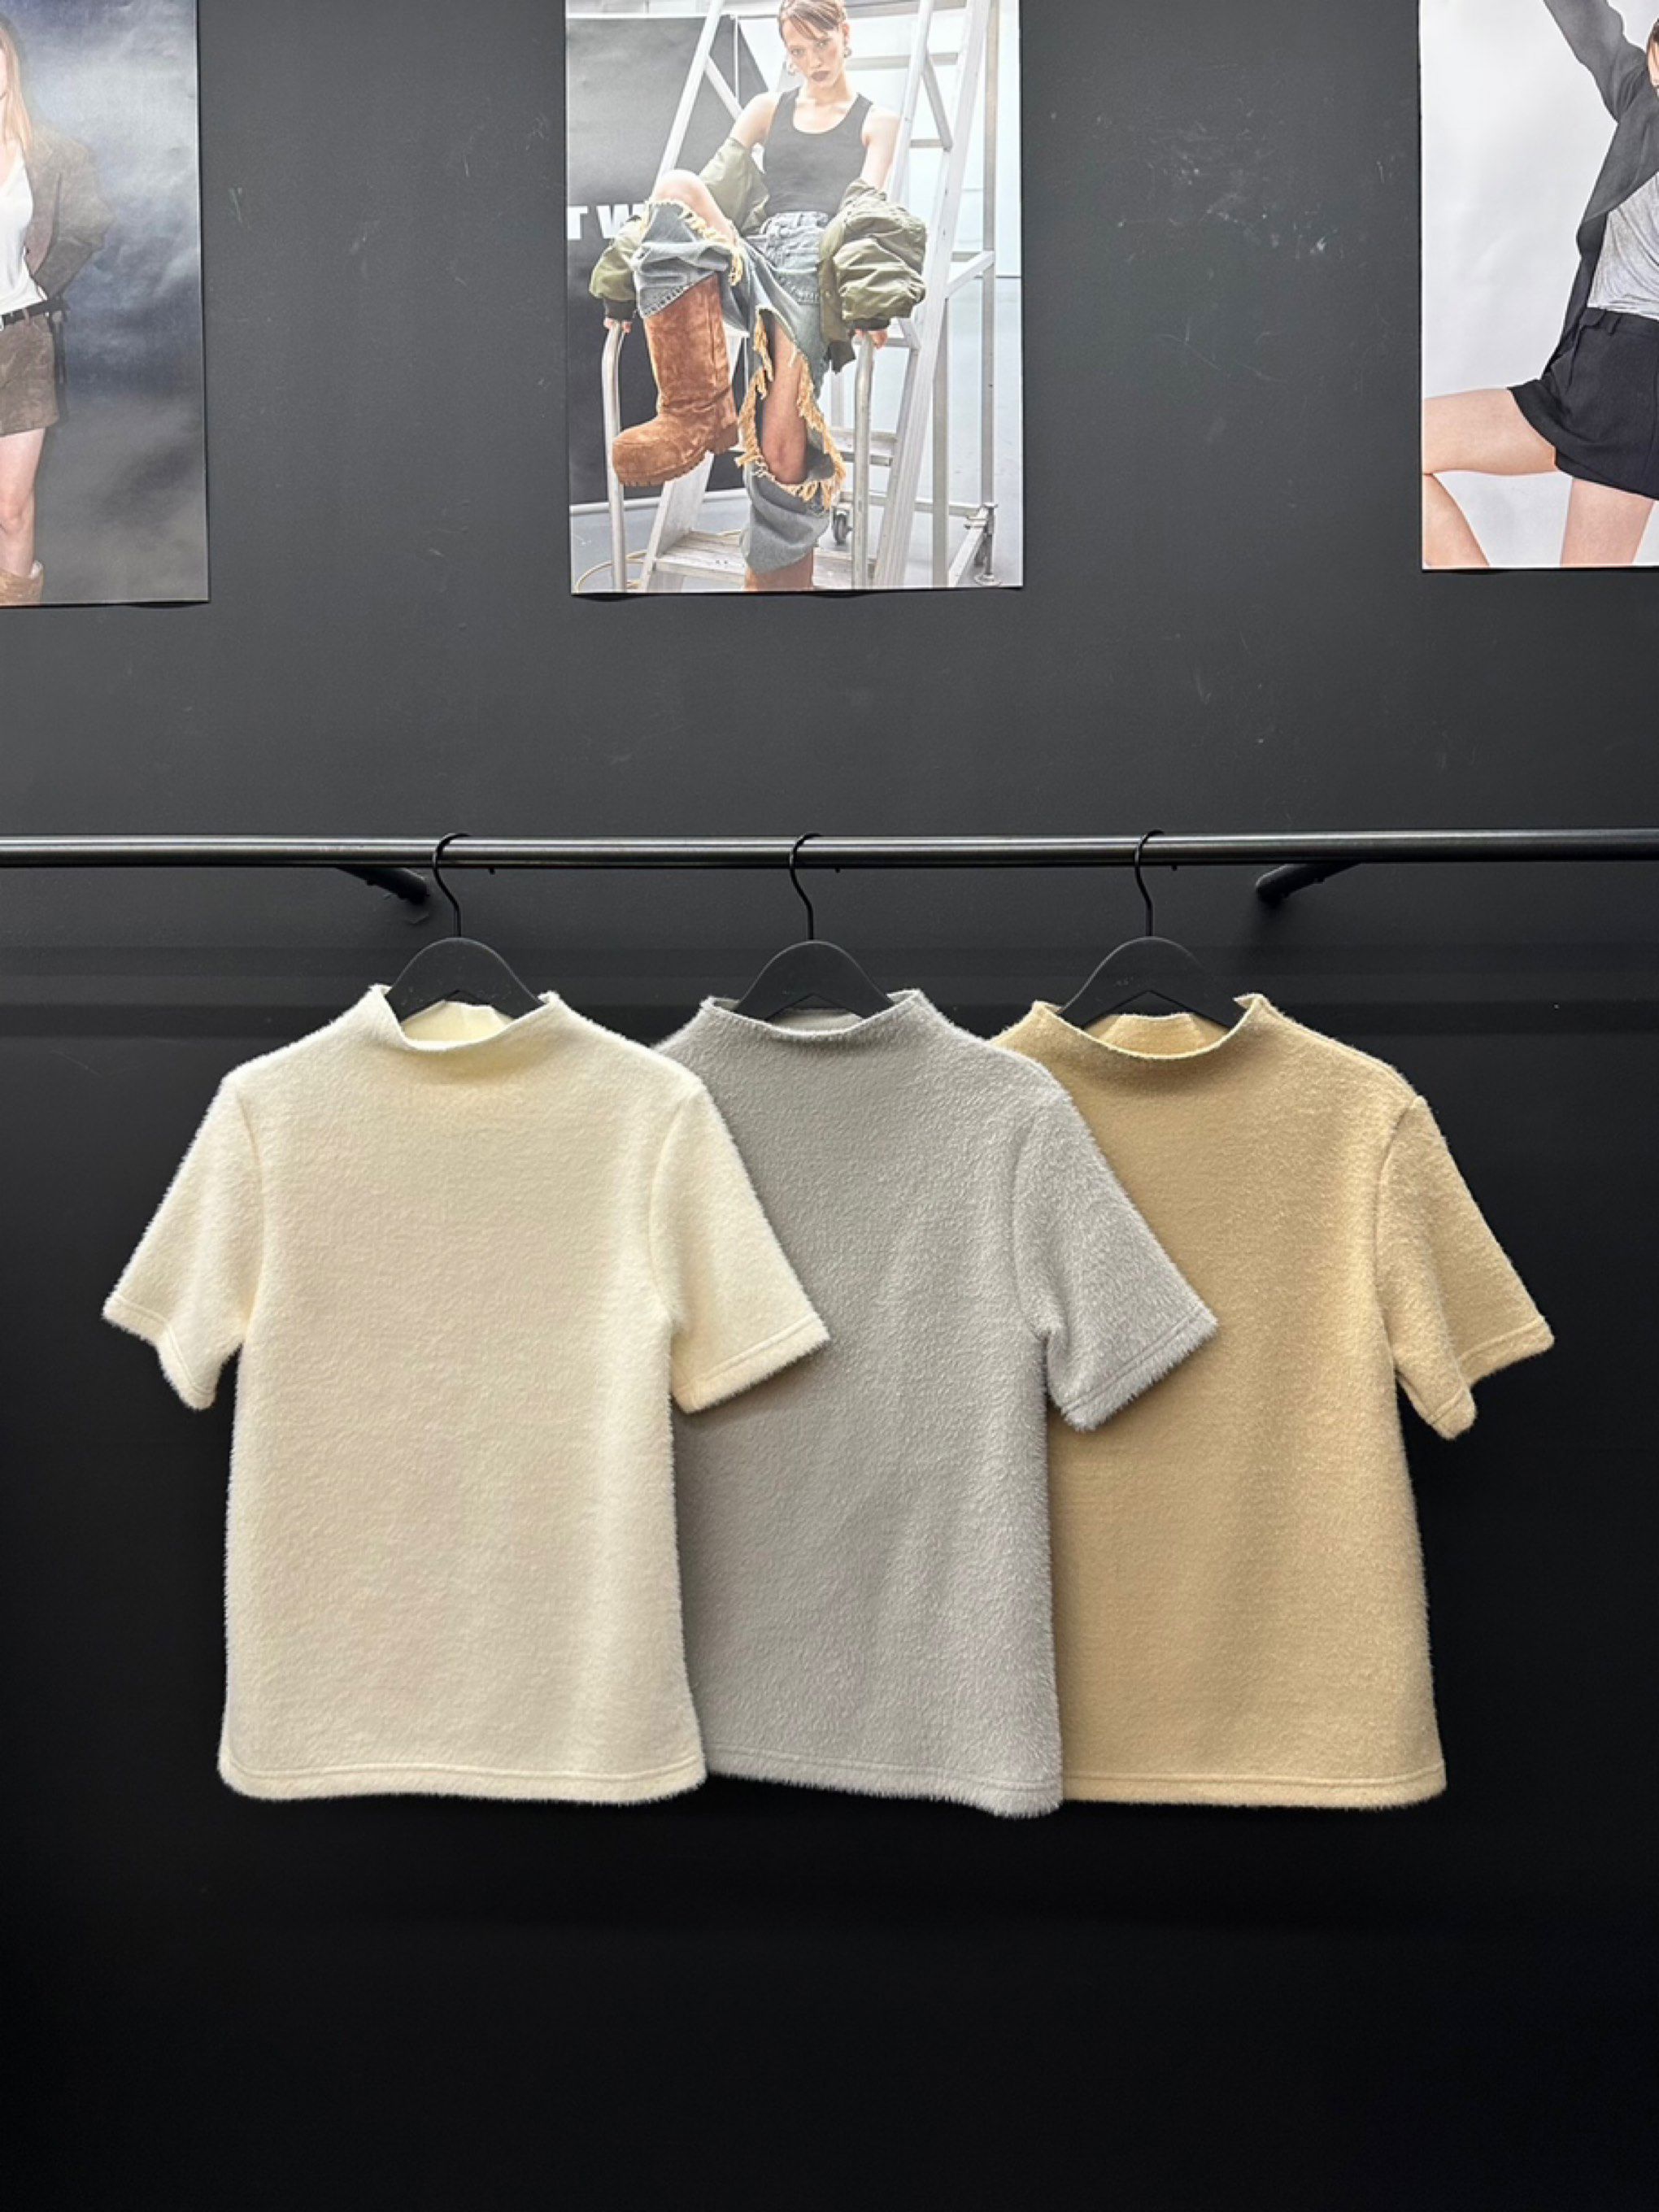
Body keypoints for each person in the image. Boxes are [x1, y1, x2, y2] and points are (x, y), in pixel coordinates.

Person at [592, 0, 925, 591]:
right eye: (797, 50)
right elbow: (712, 186)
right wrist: (621, 284)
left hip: (811, 269)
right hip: (752, 251)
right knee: (677, 184)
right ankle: (697, 410)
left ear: (845, 35)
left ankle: (777, 586)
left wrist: (871, 300)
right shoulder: (767, 109)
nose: (812, 60)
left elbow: (865, 215)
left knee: (780, 442)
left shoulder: (880, 121)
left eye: (821, 43)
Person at [1424, 2, 1659, 568]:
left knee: (1582, 599)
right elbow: (1593, 31)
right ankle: (1490, 615)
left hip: (1638, 386)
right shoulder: (1641, 103)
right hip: (1582, 367)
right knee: (1402, 443)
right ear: (1656, 63)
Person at [0, 11, 110, 607]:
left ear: (10, 64)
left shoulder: (50, 153)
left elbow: (89, 224)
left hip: (21, 341)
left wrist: (40, 285)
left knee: (12, 511)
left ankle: (18, 628)